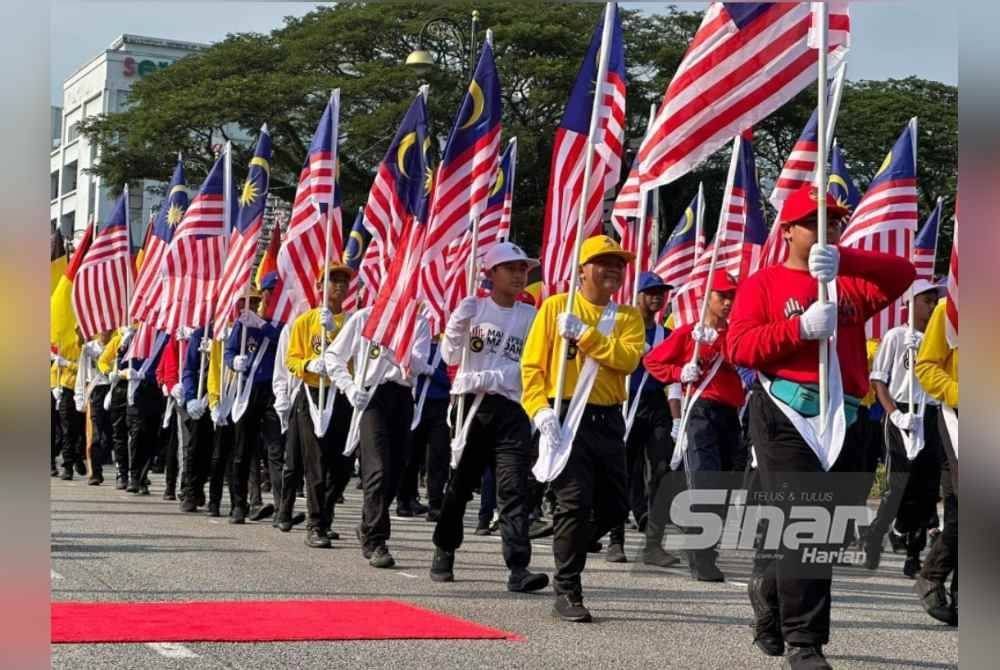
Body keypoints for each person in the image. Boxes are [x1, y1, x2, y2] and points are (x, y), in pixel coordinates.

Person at [725, 184, 915, 668]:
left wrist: (843, 259)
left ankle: (770, 590)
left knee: (827, 532)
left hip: (846, 416)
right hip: (786, 412)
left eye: (835, 222)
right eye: (816, 222)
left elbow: (903, 273)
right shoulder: (762, 284)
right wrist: (800, 329)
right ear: (787, 231)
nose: (828, 229)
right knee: (804, 525)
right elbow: (740, 348)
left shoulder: (845, 285)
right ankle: (804, 643)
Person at [521, 235, 645, 622]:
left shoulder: (627, 317)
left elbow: (626, 360)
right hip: (565, 415)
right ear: (582, 270)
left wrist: (585, 335)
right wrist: (539, 411)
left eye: (619, 263)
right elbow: (531, 368)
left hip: (607, 419)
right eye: (604, 262)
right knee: (573, 503)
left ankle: (569, 539)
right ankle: (568, 588)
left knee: (614, 508)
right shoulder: (557, 307)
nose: (613, 269)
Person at [429, 241, 549, 593]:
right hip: (471, 408)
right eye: (509, 268)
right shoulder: (474, 308)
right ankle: (445, 547)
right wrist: (456, 324)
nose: (518, 274)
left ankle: (518, 567)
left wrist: (497, 377)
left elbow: (531, 368)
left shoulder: (530, 316)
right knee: (461, 485)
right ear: (490, 273)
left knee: (513, 489)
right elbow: (450, 356)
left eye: (522, 269)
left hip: (511, 410)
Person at [645, 271, 744, 581]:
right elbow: (653, 362)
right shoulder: (689, 334)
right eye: (721, 296)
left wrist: (722, 342)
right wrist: (680, 371)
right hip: (700, 412)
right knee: (706, 483)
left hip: (730, 414)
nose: (728, 302)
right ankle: (702, 557)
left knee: (727, 486)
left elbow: (746, 359)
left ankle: (701, 547)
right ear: (707, 299)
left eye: (732, 297)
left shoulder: (736, 333)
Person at [325, 289, 432, 569]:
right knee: (377, 470)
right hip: (371, 397)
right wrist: (349, 388)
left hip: (401, 396)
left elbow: (420, 364)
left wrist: (401, 343)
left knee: (395, 472)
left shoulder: (418, 323)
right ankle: (376, 540)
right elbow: (333, 357)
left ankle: (366, 524)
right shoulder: (363, 318)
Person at [864, 280, 945, 577]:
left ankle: (914, 552)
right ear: (911, 303)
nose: (932, 305)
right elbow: (879, 379)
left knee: (926, 487)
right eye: (926, 300)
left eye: (934, 300)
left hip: (930, 414)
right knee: (899, 483)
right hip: (901, 411)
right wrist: (894, 414)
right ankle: (875, 535)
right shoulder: (897, 336)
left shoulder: (941, 338)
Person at [606, 272, 681, 568]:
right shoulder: (622, 328)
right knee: (622, 471)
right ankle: (615, 539)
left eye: (661, 292)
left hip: (655, 406)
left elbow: (672, 380)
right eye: (651, 291)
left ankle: (653, 543)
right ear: (637, 294)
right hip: (625, 402)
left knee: (661, 471)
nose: (657, 297)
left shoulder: (666, 335)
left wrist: (676, 419)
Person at [285, 263, 357, 547]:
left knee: (342, 465)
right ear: (319, 287)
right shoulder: (304, 321)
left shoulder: (351, 322)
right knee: (315, 463)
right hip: (313, 393)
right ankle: (315, 525)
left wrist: (335, 333)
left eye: (343, 281)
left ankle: (325, 516)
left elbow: (354, 357)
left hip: (339, 394)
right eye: (332, 280)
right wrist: (308, 363)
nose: (339, 286)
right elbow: (291, 359)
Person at [913, 294, 959, 626]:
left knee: (961, 512)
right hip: (959, 414)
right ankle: (933, 572)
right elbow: (926, 366)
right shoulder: (950, 307)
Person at [225, 281, 284, 524]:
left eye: (268, 296)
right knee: (242, 449)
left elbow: (284, 342)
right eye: (264, 296)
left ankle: (282, 508)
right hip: (248, 390)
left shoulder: (279, 323)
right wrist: (233, 361)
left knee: (276, 450)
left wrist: (262, 325)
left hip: (271, 391)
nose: (264, 301)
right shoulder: (242, 324)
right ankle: (239, 504)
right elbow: (229, 351)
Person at [409, 341, 451, 522]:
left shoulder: (450, 345)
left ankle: (435, 503)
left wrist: (433, 372)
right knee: (411, 455)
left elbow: (454, 379)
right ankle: (406, 499)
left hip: (440, 406)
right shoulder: (418, 341)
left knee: (438, 456)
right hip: (416, 402)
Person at [78, 330, 113, 485]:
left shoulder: (118, 343)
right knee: (96, 434)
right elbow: (82, 373)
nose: (106, 331)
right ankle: (96, 473)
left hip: (114, 388)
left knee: (112, 434)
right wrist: (80, 398)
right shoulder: (89, 348)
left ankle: (121, 472)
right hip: (96, 390)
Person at [54, 332, 85, 480]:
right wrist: (55, 387)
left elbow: (84, 370)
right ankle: (67, 466)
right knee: (67, 430)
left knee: (80, 431)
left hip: (84, 392)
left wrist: (68, 364)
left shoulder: (89, 348)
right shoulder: (66, 348)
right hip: (67, 391)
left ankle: (78, 456)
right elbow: (54, 371)